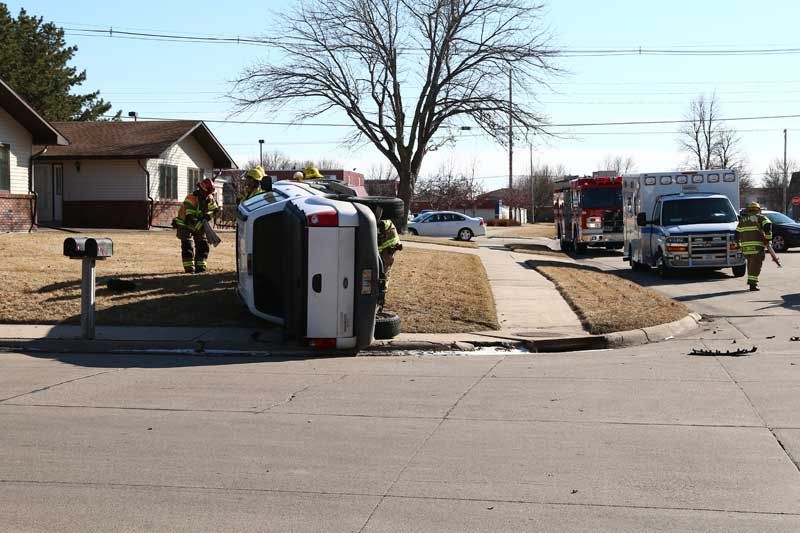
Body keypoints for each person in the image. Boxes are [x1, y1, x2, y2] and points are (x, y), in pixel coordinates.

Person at [174, 178, 220, 274]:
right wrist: (199, 225)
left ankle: (200, 267)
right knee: (187, 245)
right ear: (201, 189)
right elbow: (189, 217)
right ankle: (189, 268)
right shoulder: (191, 198)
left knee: (203, 244)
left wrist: (208, 215)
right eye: (206, 193)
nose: (207, 195)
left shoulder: (209, 198)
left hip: (198, 223)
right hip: (185, 224)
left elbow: (215, 210)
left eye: (209, 193)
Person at [736, 201, 773, 291]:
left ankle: (751, 281)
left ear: (749, 210)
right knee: (756, 265)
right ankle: (753, 284)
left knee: (750, 264)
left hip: (746, 248)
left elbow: (736, 233)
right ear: (758, 210)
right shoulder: (760, 217)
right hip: (757, 247)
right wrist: (768, 239)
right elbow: (768, 225)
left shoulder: (743, 220)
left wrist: (738, 244)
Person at [377, 218, 402, 299]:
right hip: (388, 253)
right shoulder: (388, 226)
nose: (380, 234)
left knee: (384, 273)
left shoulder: (389, 233)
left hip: (389, 253)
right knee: (384, 273)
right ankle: (381, 291)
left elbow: (381, 246)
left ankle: (381, 293)